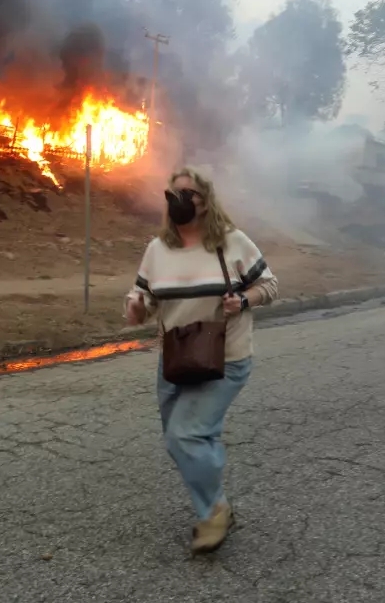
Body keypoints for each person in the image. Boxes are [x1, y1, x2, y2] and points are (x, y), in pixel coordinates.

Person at [124, 166, 278, 553]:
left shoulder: (232, 243)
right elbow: (142, 301)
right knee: (184, 439)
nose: (180, 200)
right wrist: (136, 307)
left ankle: (213, 514)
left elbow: (270, 285)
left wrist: (242, 300)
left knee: (185, 435)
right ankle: (217, 503)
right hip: (176, 359)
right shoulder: (158, 249)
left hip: (225, 357)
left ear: (205, 201)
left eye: (188, 193)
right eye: (173, 193)